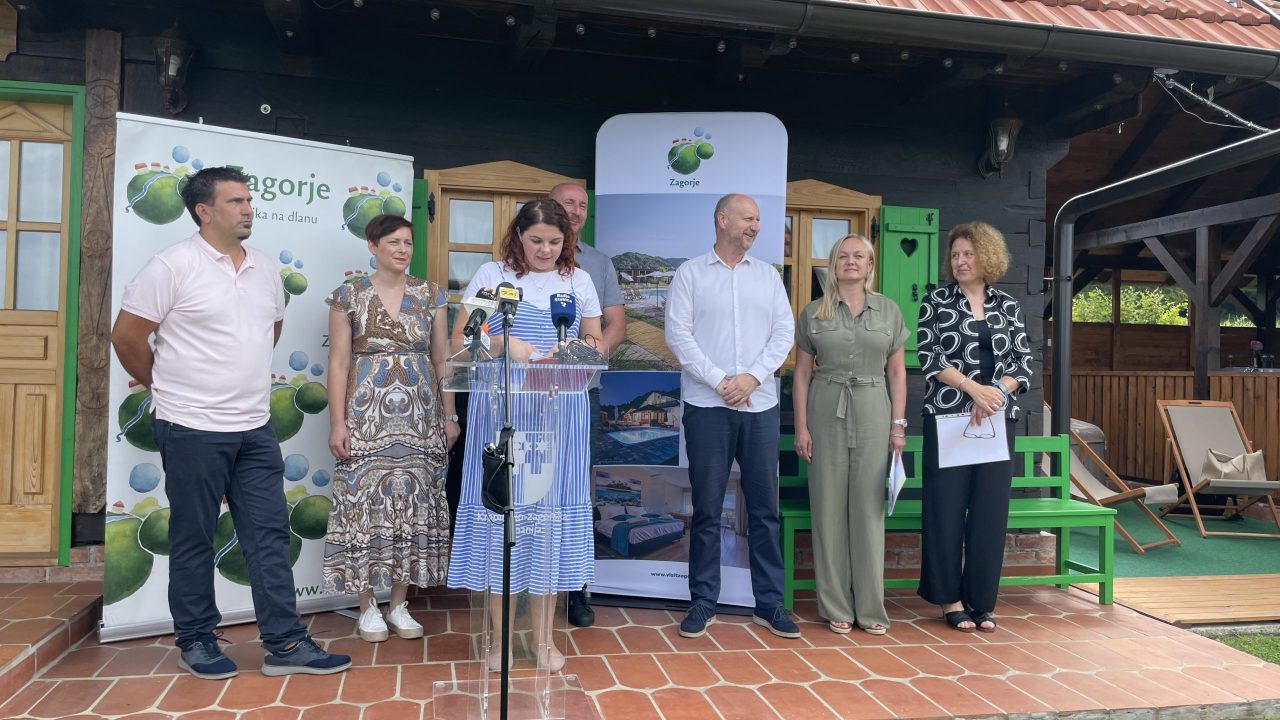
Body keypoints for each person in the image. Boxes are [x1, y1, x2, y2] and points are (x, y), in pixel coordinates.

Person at [110, 167, 351, 680]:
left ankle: (285, 643)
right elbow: (127, 337)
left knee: (268, 534)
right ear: (204, 211)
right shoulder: (171, 266)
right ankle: (196, 640)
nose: (247, 209)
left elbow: (269, 330)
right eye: (236, 201)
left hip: (255, 426)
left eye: (248, 200)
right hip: (190, 426)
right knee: (194, 535)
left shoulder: (265, 269)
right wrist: (162, 384)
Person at [446, 198, 602, 672]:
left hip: (560, 414)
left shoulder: (577, 281)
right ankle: (499, 641)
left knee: (549, 525)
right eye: (536, 240)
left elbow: (597, 343)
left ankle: (543, 639)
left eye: (555, 242)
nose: (545, 250)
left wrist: (575, 349)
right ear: (518, 235)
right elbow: (460, 342)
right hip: (502, 412)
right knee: (503, 522)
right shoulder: (491, 276)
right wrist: (499, 342)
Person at [665, 193, 797, 639]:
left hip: (760, 407)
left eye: (758, 219)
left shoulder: (768, 276)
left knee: (764, 510)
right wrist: (721, 381)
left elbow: (784, 333)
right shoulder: (690, 274)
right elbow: (678, 336)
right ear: (723, 220)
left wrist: (752, 378)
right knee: (706, 509)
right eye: (748, 218)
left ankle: (770, 605)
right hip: (708, 408)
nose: (756, 226)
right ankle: (703, 601)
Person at [323, 214, 459, 642]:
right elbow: (338, 363)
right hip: (365, 415)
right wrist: (338, 423)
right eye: (393, 242)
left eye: (408, 243)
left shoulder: (431, 294)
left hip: (421, 416)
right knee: (363, 504)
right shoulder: (348, 296)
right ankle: (367, 606)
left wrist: (449, 415)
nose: (402, 249)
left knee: (413, 504)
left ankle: (399, 604)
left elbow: (442, 359)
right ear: (373, 246)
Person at [915, 221, 1033, 633]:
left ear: (988, 257)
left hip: (997, 419)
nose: (961, 261)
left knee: (989, 513)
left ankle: (981, 602)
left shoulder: (1008, 305)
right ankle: (949, 599)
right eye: (956, 255)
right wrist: (972, 389)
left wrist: (994, 393)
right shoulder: (936, 301)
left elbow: (1023, 362)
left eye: (969, 254)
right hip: (948, 417)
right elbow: (929, 356)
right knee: (945, 509)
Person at [792, 234, 908, 636]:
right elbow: (802, 373)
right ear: (833, 264)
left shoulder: (889, 310)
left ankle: (871, 608)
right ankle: (836, 606)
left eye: (859, 256)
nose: (851, 261)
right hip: (825, 408)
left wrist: (898, 425)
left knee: (868, 510)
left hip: (874, 408)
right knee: (827, 509)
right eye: (843, 256)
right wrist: (801, 426)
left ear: (870, 265)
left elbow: (897, 372)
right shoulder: (813, 312)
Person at [549, 181, 625, 629]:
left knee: (577, 489)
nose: (576, 211)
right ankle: (528, 580)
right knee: (532, 486)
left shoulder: (598, 263)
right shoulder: (520, 261)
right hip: (529, 395)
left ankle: (577, 588)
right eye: (567, 204)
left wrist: (587, 355)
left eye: (582, 205)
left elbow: (616, 325)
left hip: (582, 392)